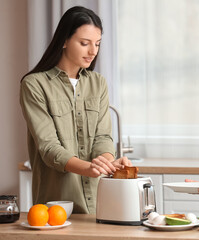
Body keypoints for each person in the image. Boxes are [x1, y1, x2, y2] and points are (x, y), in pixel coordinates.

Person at [20, 6, 131, 214]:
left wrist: (106, 162)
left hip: (100, 203)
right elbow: (49, 148)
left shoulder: (98, 83)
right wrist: (89, 168)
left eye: (97, 44)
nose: (93, 51)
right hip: (57, 206)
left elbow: (103, 136)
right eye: (84, 43)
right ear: (64, 40)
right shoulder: (34, 85)